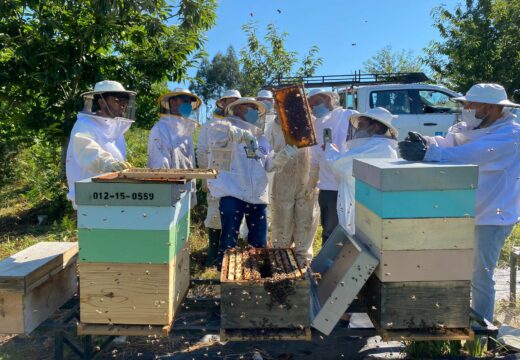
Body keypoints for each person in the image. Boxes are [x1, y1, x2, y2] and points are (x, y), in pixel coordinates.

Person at [398, 83, 520, 322]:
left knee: (481, 275)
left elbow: (473, 154)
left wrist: (428, 154)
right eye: (465, 104)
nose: (466, 108)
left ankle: (481, 332)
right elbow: (450, 144)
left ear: (492, 108)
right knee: (457, 268)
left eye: (471, 104)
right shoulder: (471, 127)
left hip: (494, 215)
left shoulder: (511, 135)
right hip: (467, 209)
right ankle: (457, 320)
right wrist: (425, 141)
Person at [207, 97, 298, 269]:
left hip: (257, 196)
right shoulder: (224, 126)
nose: (255, 112)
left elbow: (269, 165)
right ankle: (224, 280)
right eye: (251, 108)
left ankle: (259, 279)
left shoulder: (261, 138)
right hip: (232, 193)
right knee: (228, 242)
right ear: (240, 109)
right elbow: (215, 132)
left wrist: (284, 155)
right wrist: (240, 134)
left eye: (257, 109)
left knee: (259, 244)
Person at [264, 91, 319, 265]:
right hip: (282, 181)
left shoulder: (313, 123)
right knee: (281, 220)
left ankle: (303, 261)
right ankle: (281, 260)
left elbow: (320, 153)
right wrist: (281, 157)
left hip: (308, 180)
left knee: (306, 221)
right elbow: (266, 159)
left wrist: (314, 179)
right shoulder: (272, 127)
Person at [325, 107, 399, 234]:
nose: (358, 128)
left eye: (361, 124)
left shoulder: (377, 147)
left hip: (362, 206)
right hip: (366, 204)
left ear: (375, 127)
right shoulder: (379, 146)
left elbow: (340, 165)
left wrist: (329, 147)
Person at [66, 80, 136, 208]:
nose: (122, 105)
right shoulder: (84, 125)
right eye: (117, 100)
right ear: (101, 101)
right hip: (89, 197)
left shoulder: (116, 128)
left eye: (124, 101)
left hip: (112, 195)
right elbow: (88, 150)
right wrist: (110, 164)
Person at [196, 89, 241, 267]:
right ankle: (212, 254)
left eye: (234, 102)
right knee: (214, 214)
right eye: (227, 101)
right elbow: (201, 151)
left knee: (234, 215)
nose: (230, 105)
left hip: (237, 178)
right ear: (221, 104)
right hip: (216, 176)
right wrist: (205, 177)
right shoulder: (210, 125)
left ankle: (229, 254)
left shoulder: (242, 126)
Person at [307, 88, 358, 244]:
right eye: (311, 105)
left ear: (328, 99)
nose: (314, 107)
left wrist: (336, 152)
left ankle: (346, 264)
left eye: (317, 102)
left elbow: (359, 147)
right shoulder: (316, 125)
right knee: (329, 230)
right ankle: (327, 266)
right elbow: (314, 158)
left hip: (349, 183)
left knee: (352, 230)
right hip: (327, 185)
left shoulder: (348, 116)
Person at [147, 88, 202, 206]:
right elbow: (160, 167)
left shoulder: (186, 130)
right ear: (172, 102)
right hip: (167, 196)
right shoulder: (160, 129)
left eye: (189, 102)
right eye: (185, 101)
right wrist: (164, 196)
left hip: (185, 190)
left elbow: (190, 163)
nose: (188, 105)